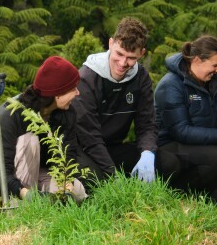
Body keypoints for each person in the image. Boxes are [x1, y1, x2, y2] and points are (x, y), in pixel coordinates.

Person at [0, 56, 88, 204]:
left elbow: (69, 153)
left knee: (78, 194)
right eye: (73, 89)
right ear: (57, 94)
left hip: (39, 171)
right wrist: (26, 194)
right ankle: (18, 203)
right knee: (30, 140)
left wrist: (67, 185)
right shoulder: (12, 114)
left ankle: (45, 200)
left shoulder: (67, 114)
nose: (77, 93)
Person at [73, 17, 179, 189]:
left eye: (131, 58)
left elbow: (147, 125)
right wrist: (113, 175)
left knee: (168, 163)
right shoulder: (86, 78)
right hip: (84, 149)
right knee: (97, 181)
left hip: (113, 148)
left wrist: (147, 153)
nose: (123, 63)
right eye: (119, 54)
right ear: (110, 44)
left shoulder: (141, 77)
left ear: (141, 53)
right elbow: (89, 137)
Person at [154, 35, 217, 204]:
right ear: (198, 60)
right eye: (215, 65)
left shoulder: (216, 81)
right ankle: (179, 192)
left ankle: (198, 191)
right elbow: (181, 132)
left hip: (199, 148)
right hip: (170, 148)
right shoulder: (170, 85)